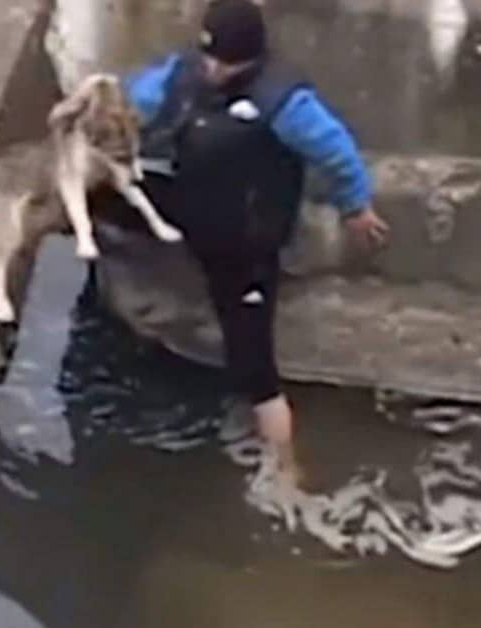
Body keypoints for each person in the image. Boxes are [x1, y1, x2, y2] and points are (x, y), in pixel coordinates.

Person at [116, 0, 390, 488]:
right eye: (208, 58)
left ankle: (285, 471)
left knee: (254, 369)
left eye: (224, 62)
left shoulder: (282, 101)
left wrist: (356, 207)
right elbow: (133, 99)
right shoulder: (183, 75)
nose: (212, 69)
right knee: (95, 191)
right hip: (186, 208)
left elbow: (337, 150)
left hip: (243, 249)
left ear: (248, 59)